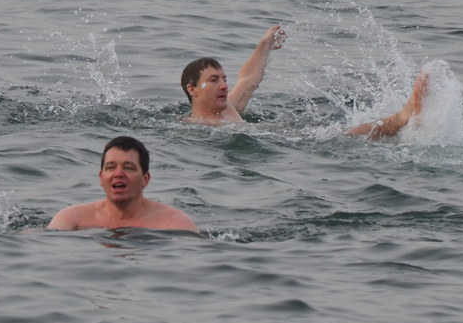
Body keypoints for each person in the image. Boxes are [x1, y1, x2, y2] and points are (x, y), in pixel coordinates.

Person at [181, 25, 430, 140]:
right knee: (343, 136)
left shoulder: (228, 109)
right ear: (192, 89)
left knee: (341, 133)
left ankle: (403, 120)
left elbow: (249, 79)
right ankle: (402, 117)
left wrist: (265, 44)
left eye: (224, 79)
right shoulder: (199, 126)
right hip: (290, 140)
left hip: (286, 134)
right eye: (213, 81)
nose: (224, 85)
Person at [48, 136, 199, 232]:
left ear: (145, 179)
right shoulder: (72, 218)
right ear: (101, 177)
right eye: (111, 167)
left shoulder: (173, 223)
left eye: (128, 168)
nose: (118, 174)